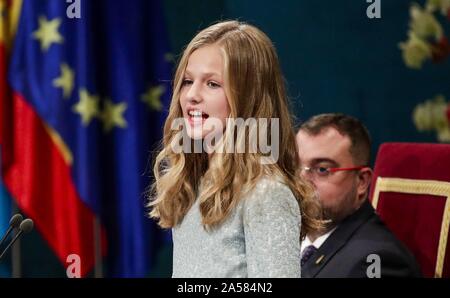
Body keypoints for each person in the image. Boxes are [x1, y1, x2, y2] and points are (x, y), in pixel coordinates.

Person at [148, 20, 322, 278]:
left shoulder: (266, 192)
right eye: (187, 81)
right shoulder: (191, 185)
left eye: (212, 84)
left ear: (249, 98)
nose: (191, 95)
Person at [296, 113, 422, 277]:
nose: (302, 181)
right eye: (296, 167)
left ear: (362, 181)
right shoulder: (280, 238)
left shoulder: (379, 260)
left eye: (322, 169)